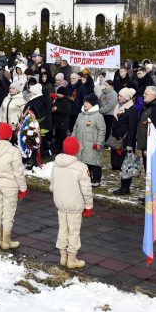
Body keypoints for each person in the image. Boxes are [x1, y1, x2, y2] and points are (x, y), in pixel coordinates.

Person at [50, 136, 94, 269]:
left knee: (62, 229)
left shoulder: (56, 163)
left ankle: (63, 257)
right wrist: (88, 206)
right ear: (76, 150)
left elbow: (52, 184)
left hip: (61, 203)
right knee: (74, 231)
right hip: (75, 205)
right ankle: (72, 258)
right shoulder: (81, 167)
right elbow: (86, 190)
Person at [0, 122, 27, 249]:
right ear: (10, 136)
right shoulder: (14, 151)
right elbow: (18, 172)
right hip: (10, 187)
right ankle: (6, 241)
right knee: (8, 214)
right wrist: (23, 188)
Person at [73, 93, 106, 187]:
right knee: (83, 161)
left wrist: (99, 143)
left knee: (94, 162)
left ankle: (96, 180)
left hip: (92, 144)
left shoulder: (98, 116)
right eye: (84, 102)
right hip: (81, 143)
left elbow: (102, 130)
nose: (85, 104)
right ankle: (86, 178)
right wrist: (72, 139)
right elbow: (75, 127)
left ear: (93, 104)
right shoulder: (80, 115)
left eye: (87, 102)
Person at [111, 88, 138, 193]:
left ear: (126, 97)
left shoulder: (132, 110)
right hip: (118, 140)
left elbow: (132, 129)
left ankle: (125, 188)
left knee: (127, 164)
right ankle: (123, 186)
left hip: (126, 141)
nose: (119, 97)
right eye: (119, 95)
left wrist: (130, 144)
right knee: (121, 164)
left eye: (121, 96)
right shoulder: (119, 107)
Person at [52, 85, 72, 152]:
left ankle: (63, 148)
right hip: (57, 121)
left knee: (62, 136)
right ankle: (58, 148)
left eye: (60, 93)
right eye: (58, 93)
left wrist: (57, 109)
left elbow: (67, 111)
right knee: (57, 136)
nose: (58, 94)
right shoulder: (57, 99)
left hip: (63, 122)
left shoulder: (66, 101)